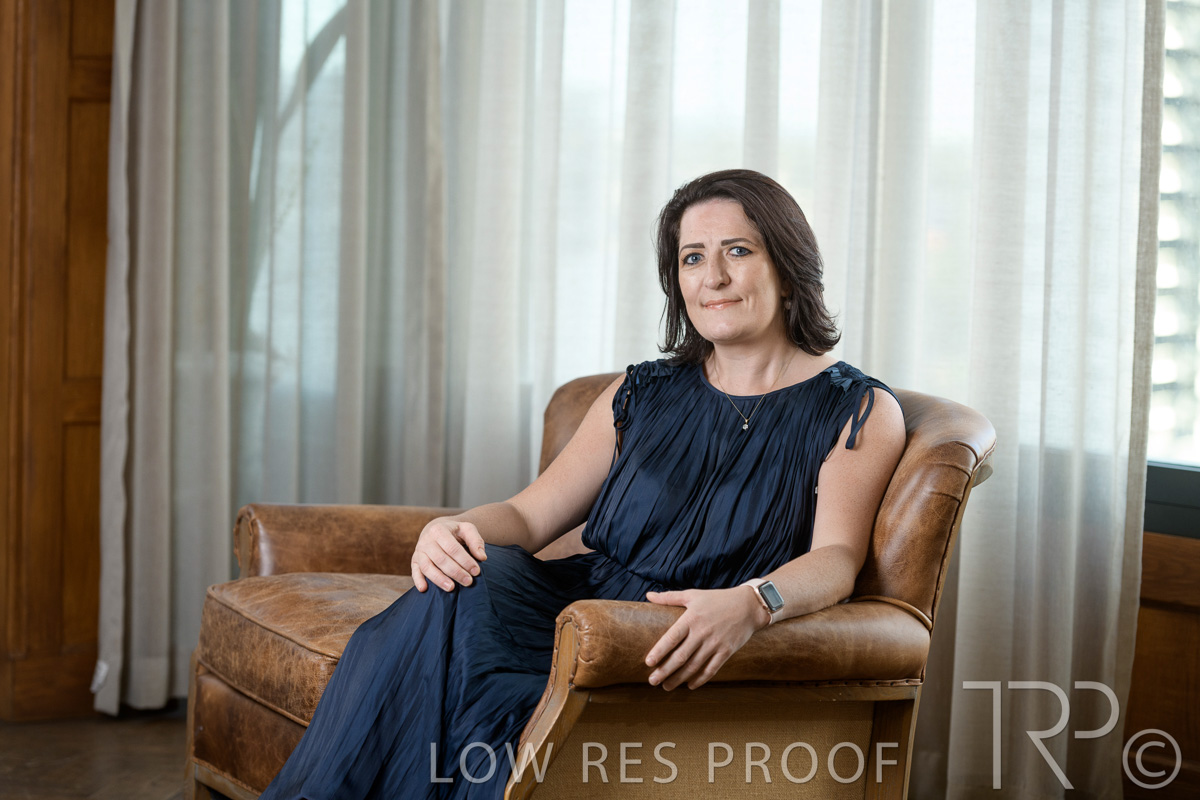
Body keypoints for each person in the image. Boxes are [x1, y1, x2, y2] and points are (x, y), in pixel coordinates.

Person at [258, 169, 906, 799]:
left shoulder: (856, 410)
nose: (713, 277)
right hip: (568, 607)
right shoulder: (640, 391)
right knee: (456, 586)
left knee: (469, 685)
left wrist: (754, 602)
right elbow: (528, 517)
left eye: (738, 251)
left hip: (653, 636)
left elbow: (837, 558)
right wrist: (453, 529)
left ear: (787, 266)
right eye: (692, 258)